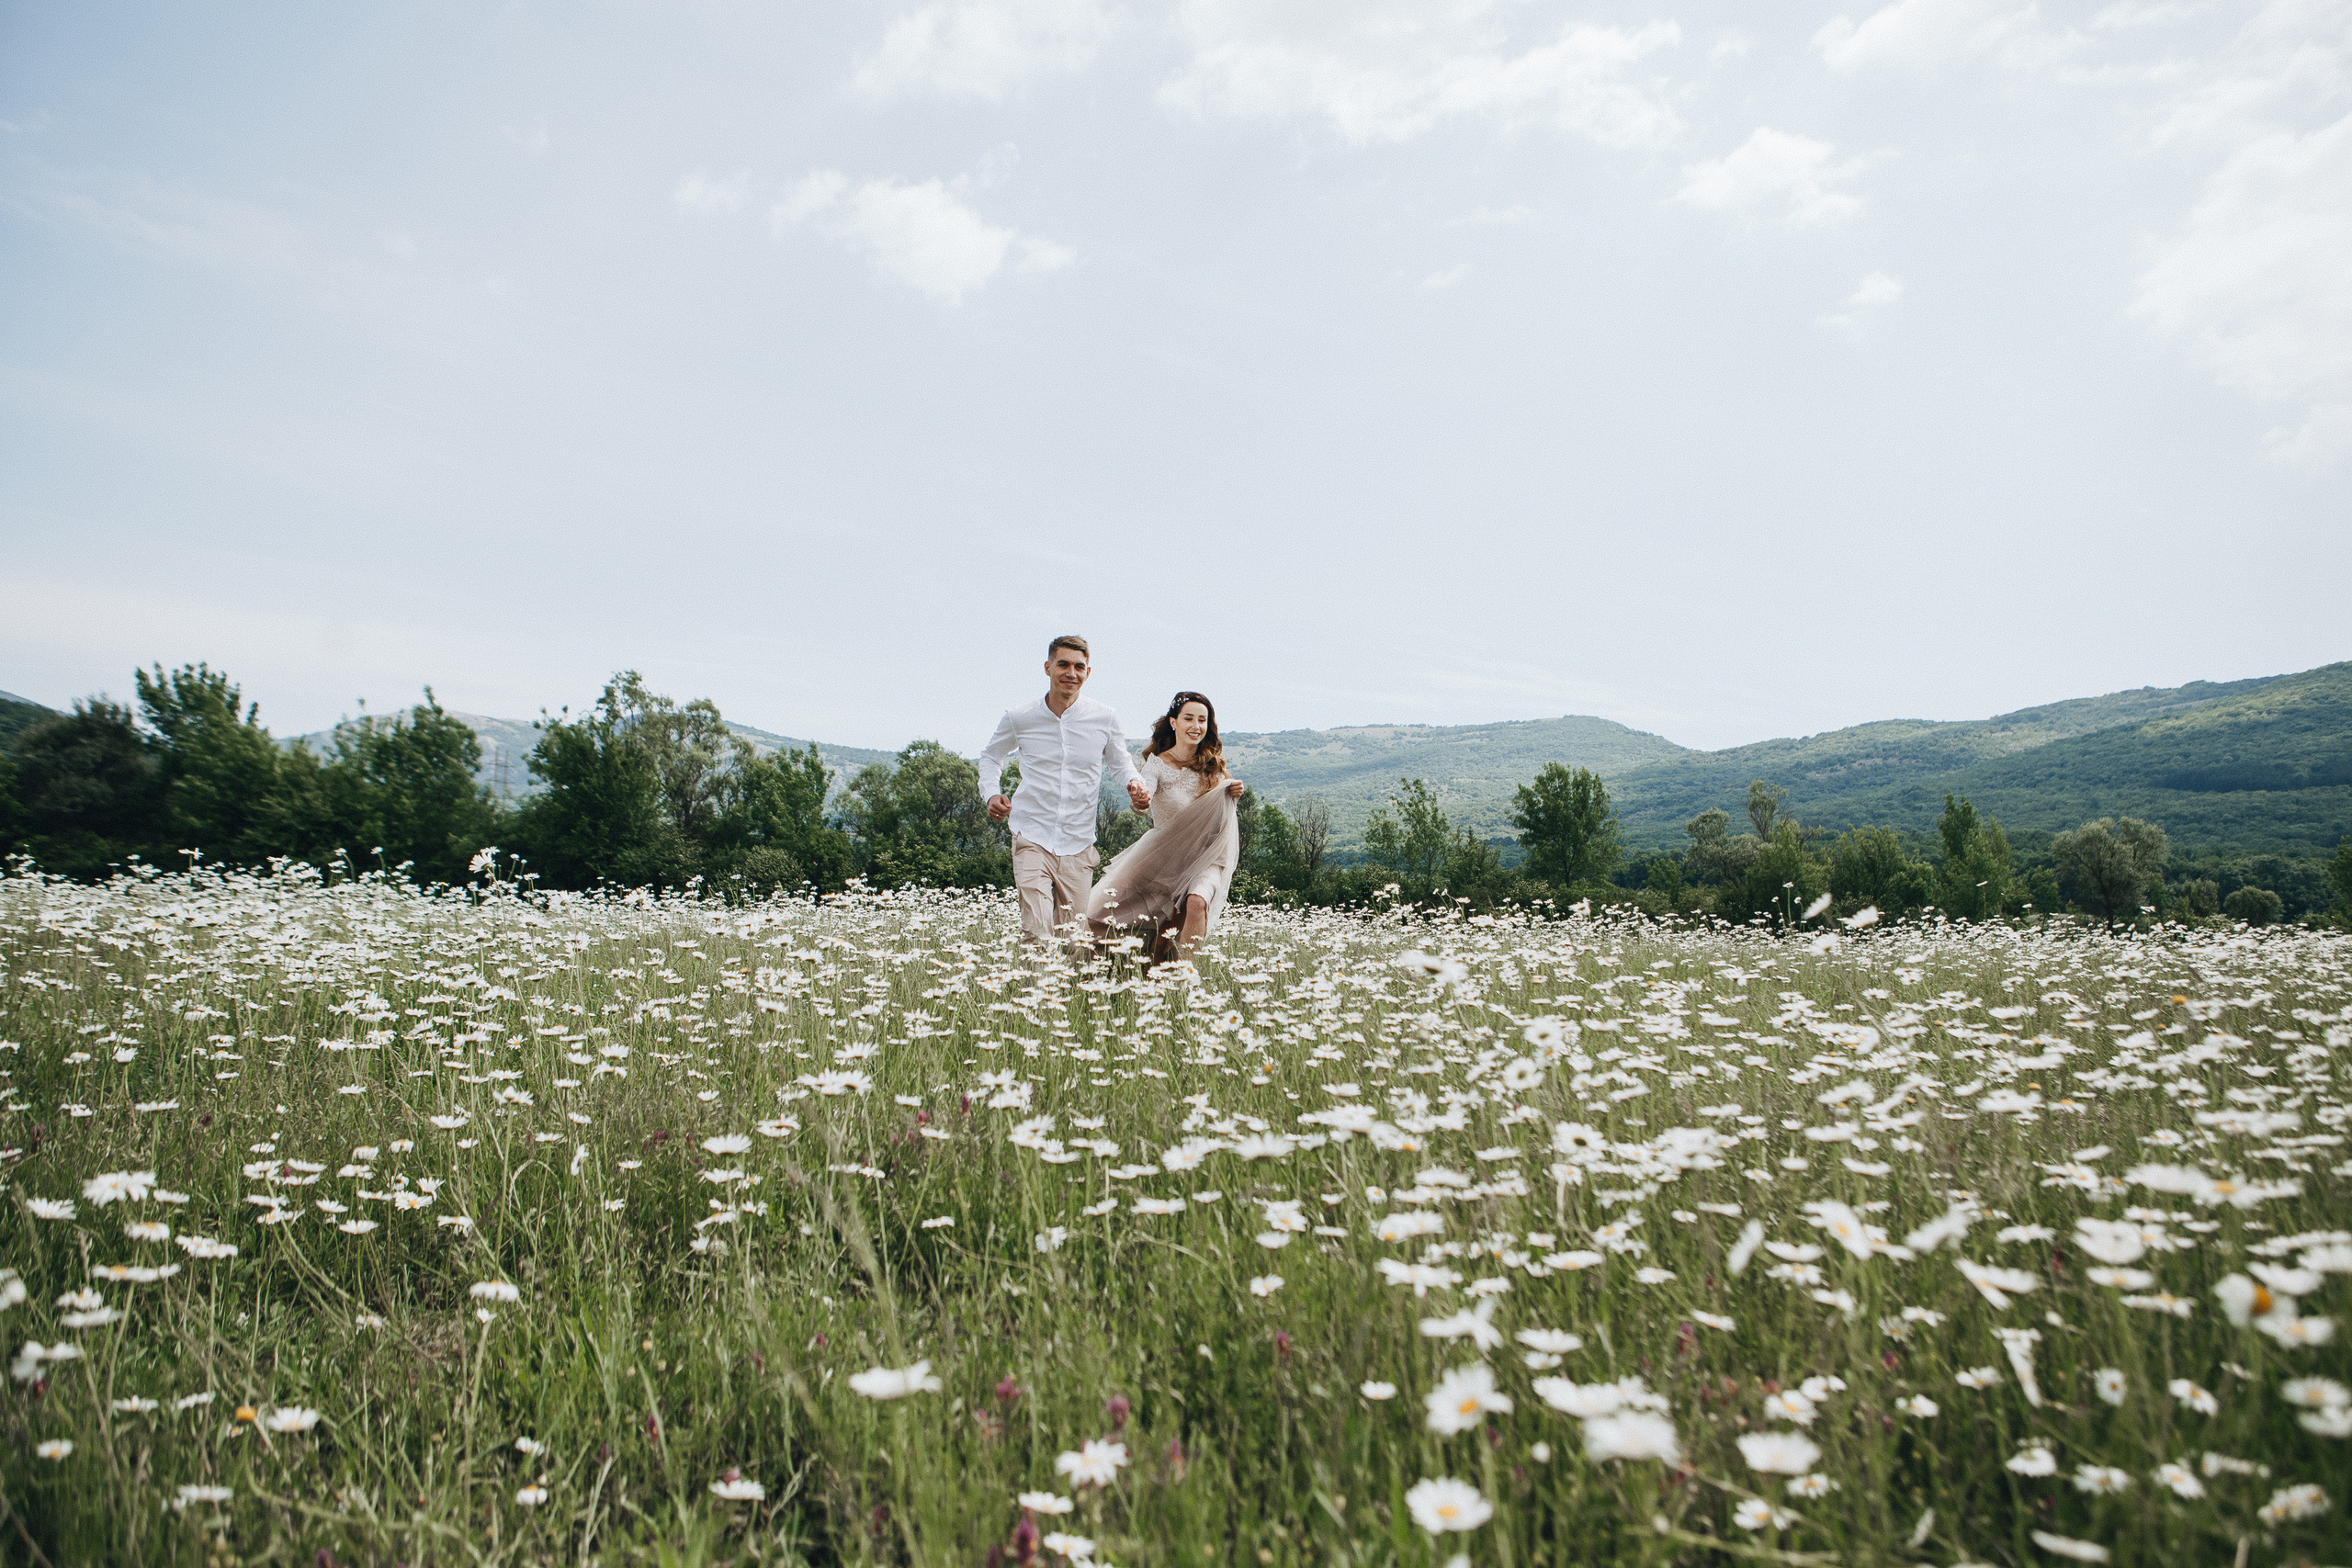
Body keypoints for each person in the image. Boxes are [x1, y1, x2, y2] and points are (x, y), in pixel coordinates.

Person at [979, 636, 1151, 951]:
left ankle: (1068, 997)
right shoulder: (1020, 717)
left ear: (1088, 673)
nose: (1071, 672)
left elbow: (1121, 764)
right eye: (1063, 664)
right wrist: (991, 793)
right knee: (1036, 932)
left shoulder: (1105, 717)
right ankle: (1037, 999)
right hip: (1031, 836)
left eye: (1079, 667)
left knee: (1075, 942)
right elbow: (991, 757)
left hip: (1078, 842)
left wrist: (1136, 786)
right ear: (1048, 668)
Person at [1086, 692, 1246, 958]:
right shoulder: (1157, 765)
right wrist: (1140, 800)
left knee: (1197, 902)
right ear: (1174, 722)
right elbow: (1143, 798)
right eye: (1189, 719)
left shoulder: (1212, 767)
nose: (1196, 726)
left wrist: (1231, 793)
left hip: (1206, 858)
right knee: (1147, 932)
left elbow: (1218, 817)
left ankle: (1187, 974)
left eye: (1202, 720)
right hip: (1165, 859)